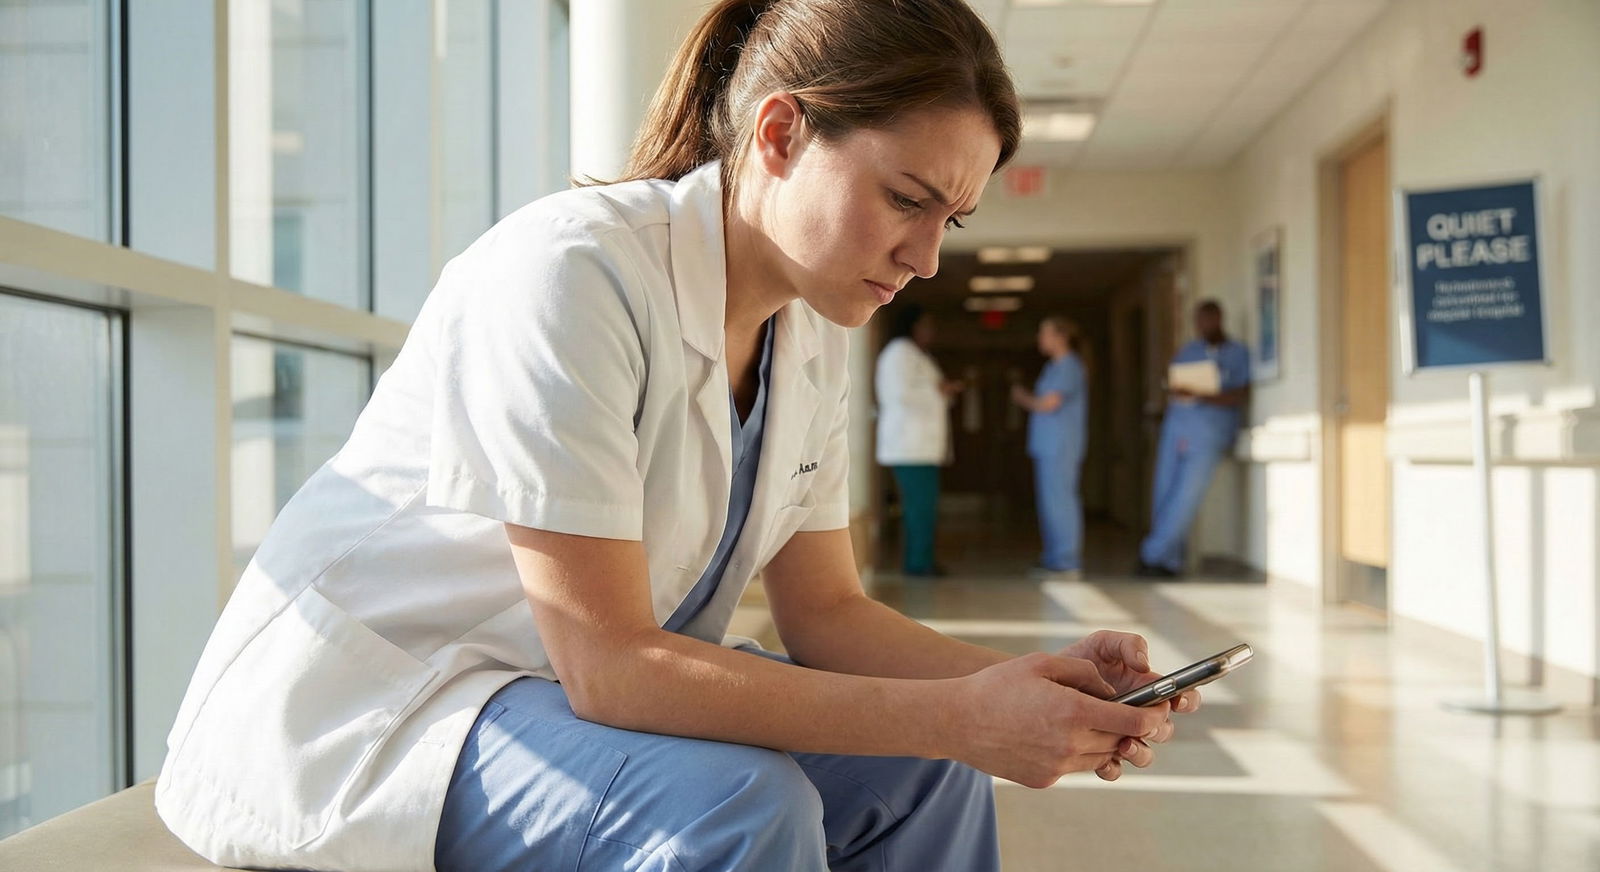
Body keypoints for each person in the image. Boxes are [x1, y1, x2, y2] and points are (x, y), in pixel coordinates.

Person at [154, 2, 1201, 870]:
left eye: (950, 221)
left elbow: (827, 612)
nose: (925, 258)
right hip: (388, 705)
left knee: (924, 771)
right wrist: (955, 715)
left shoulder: (809, 328)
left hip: (546, 687)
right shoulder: (570, 273)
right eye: (906, 198)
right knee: (736, 804)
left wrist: (1018, 683)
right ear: (780, 133)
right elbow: (611, 664)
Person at [1136, 299, 1251, 578]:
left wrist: (1201, 395)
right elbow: (1176, 388)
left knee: (1186, 497)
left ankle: (1153, 555)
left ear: (1219, 318)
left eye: (1207, 320)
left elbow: (1240, 393)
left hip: (1209, 434)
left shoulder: (1237, 353)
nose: (1202, 326)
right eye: (1197, 321)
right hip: (1177, 429)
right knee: (1164, 494)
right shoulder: (1188, 351)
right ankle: (1169, 561)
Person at [875, 304, 962, 576]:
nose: (930, 332)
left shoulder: (918, 356)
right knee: (918, 509)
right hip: (909, 445)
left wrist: (941, 391)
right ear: (912, 326)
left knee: (924, 508)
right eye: (925, 325)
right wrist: (939, 390)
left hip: (921, 446)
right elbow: (899, 395)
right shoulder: (899, 354)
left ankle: (921, 560)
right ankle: (917, 563)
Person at [1011, 316, 1088, 580]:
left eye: (1045, 334)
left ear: (1060, 337)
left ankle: (1066, 561)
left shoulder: (1069, 367)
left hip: (1061, 445)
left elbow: (1049, 404)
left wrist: (1022, 397)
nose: (1040, 340)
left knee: (1061, 501)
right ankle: (1055, 558)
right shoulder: (1054, 367)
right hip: (1049, 445)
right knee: (1051, 503)